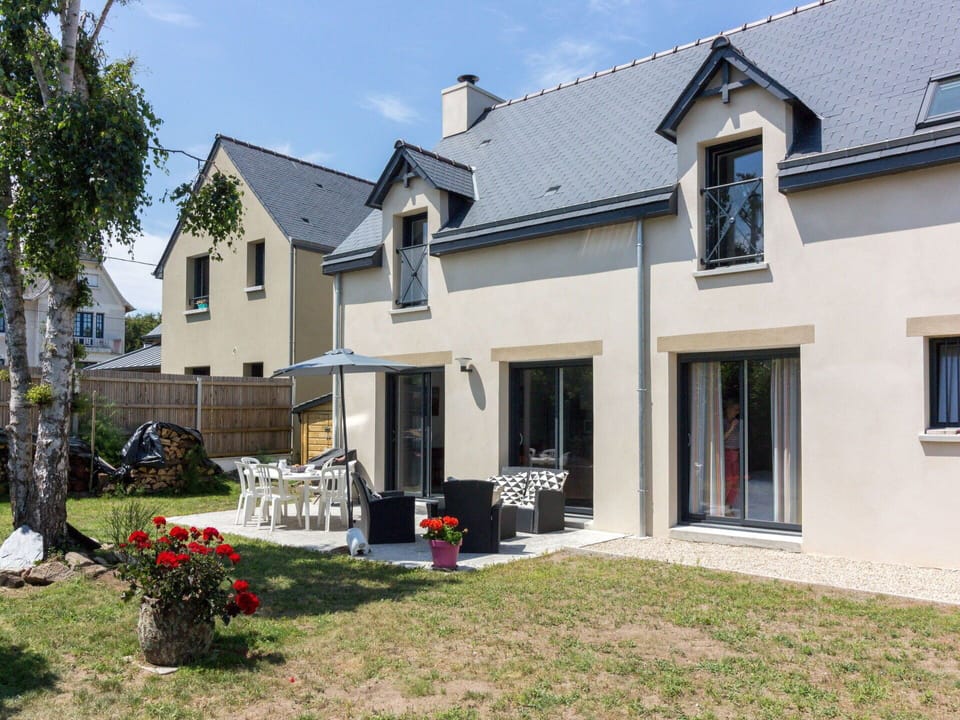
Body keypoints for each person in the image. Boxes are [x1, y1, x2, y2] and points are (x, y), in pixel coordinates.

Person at [723, 400, 741, 512]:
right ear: (729, 409)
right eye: (736, 409)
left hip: (736, 453)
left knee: (735, 481)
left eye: (738, 410)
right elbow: (721, 438)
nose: (737, 412)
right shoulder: (723, 422)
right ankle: (723, 506)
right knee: (729, 481)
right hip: (727, 452)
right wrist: (731, 428)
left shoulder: (738, 422)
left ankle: (729, 506)